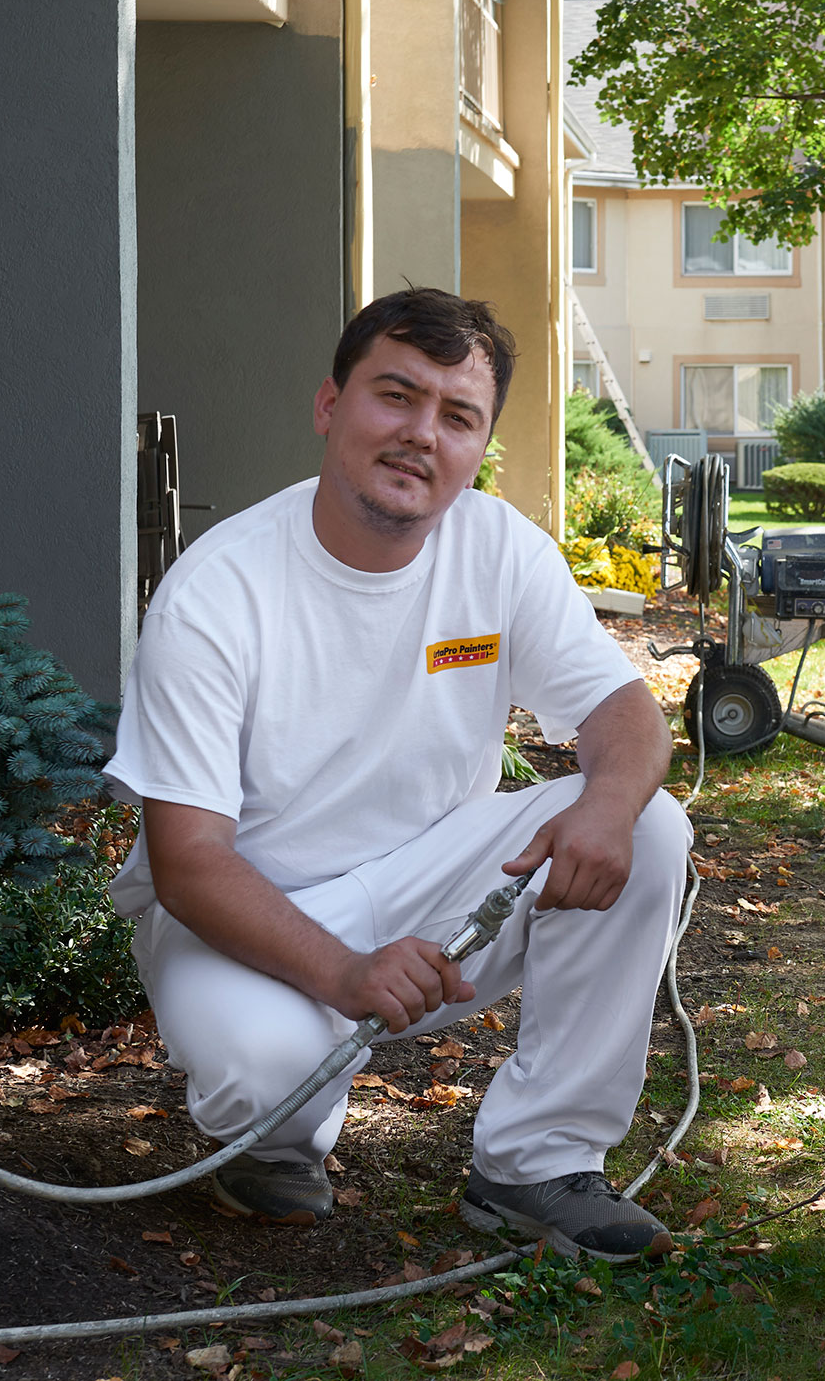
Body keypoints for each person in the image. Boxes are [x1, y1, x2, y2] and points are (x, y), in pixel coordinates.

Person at [104, 288, 688, 1258]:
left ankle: (536, 1162)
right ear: (331, 405)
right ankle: (274, 1136)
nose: (422, 434)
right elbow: (188, 862)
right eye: (395, 395)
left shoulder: (497, 549)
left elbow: (621, 713)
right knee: (264, 1078)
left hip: (427, 879)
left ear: (479, 444)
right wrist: (343, 972)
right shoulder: (220, 588)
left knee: (648, 823)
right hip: (243, 909)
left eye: (456, 415)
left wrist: (610, 801)